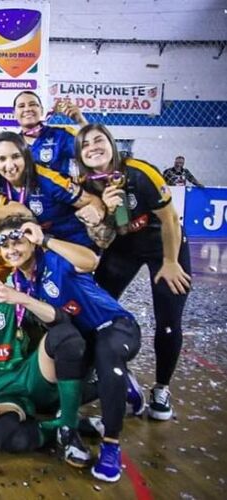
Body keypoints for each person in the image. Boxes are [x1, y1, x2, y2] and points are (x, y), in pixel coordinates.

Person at [0, 216, 144, 482]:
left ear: (32, 241)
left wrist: (46, 239)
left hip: (113, 326)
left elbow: (91, 261)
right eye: (4, 246)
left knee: (107, 354)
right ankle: (116, 392)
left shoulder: (53, 258)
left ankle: (110, 444)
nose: (11, 250)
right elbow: (58, 321)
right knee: (63, 377)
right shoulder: (17, 281)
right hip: (81, 339)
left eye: (17, 241)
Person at [75, 124, 191, 422]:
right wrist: (104, 214)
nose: (93, 147)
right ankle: (114, 373)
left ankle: (162, 389)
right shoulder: (84, 186)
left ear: (113, 144)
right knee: (92, 310)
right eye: (85, 145)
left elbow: (170, 219)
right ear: (80, 155)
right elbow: (101, 239)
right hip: (122, 248)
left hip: (163, 244)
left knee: (167, 319)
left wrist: (170, 261)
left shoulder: (140, 172)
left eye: (99, 140)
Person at [0, 246, 91, 467]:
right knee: (5, 437)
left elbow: (60, 320)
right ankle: (61, 427)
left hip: (30, 374)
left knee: (66, 337)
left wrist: (24, 300)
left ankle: (69, 426)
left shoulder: (7, 298)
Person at [0, 132, 109, 249]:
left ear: (26, 157)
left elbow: (93, 200)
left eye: (16, 156)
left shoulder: (50, 180)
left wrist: (96, 213)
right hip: (33, 249)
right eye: (1, 159)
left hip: (72, 246)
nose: (10, 166)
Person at [14, 92, 87, 179]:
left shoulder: (61, 135)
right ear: (14, 114)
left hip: (63, 191)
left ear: (41, 110)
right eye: (21, 106)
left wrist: (81, 121)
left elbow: (92, 149)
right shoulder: (12, 144)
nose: (27, 109)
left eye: (33, 104)